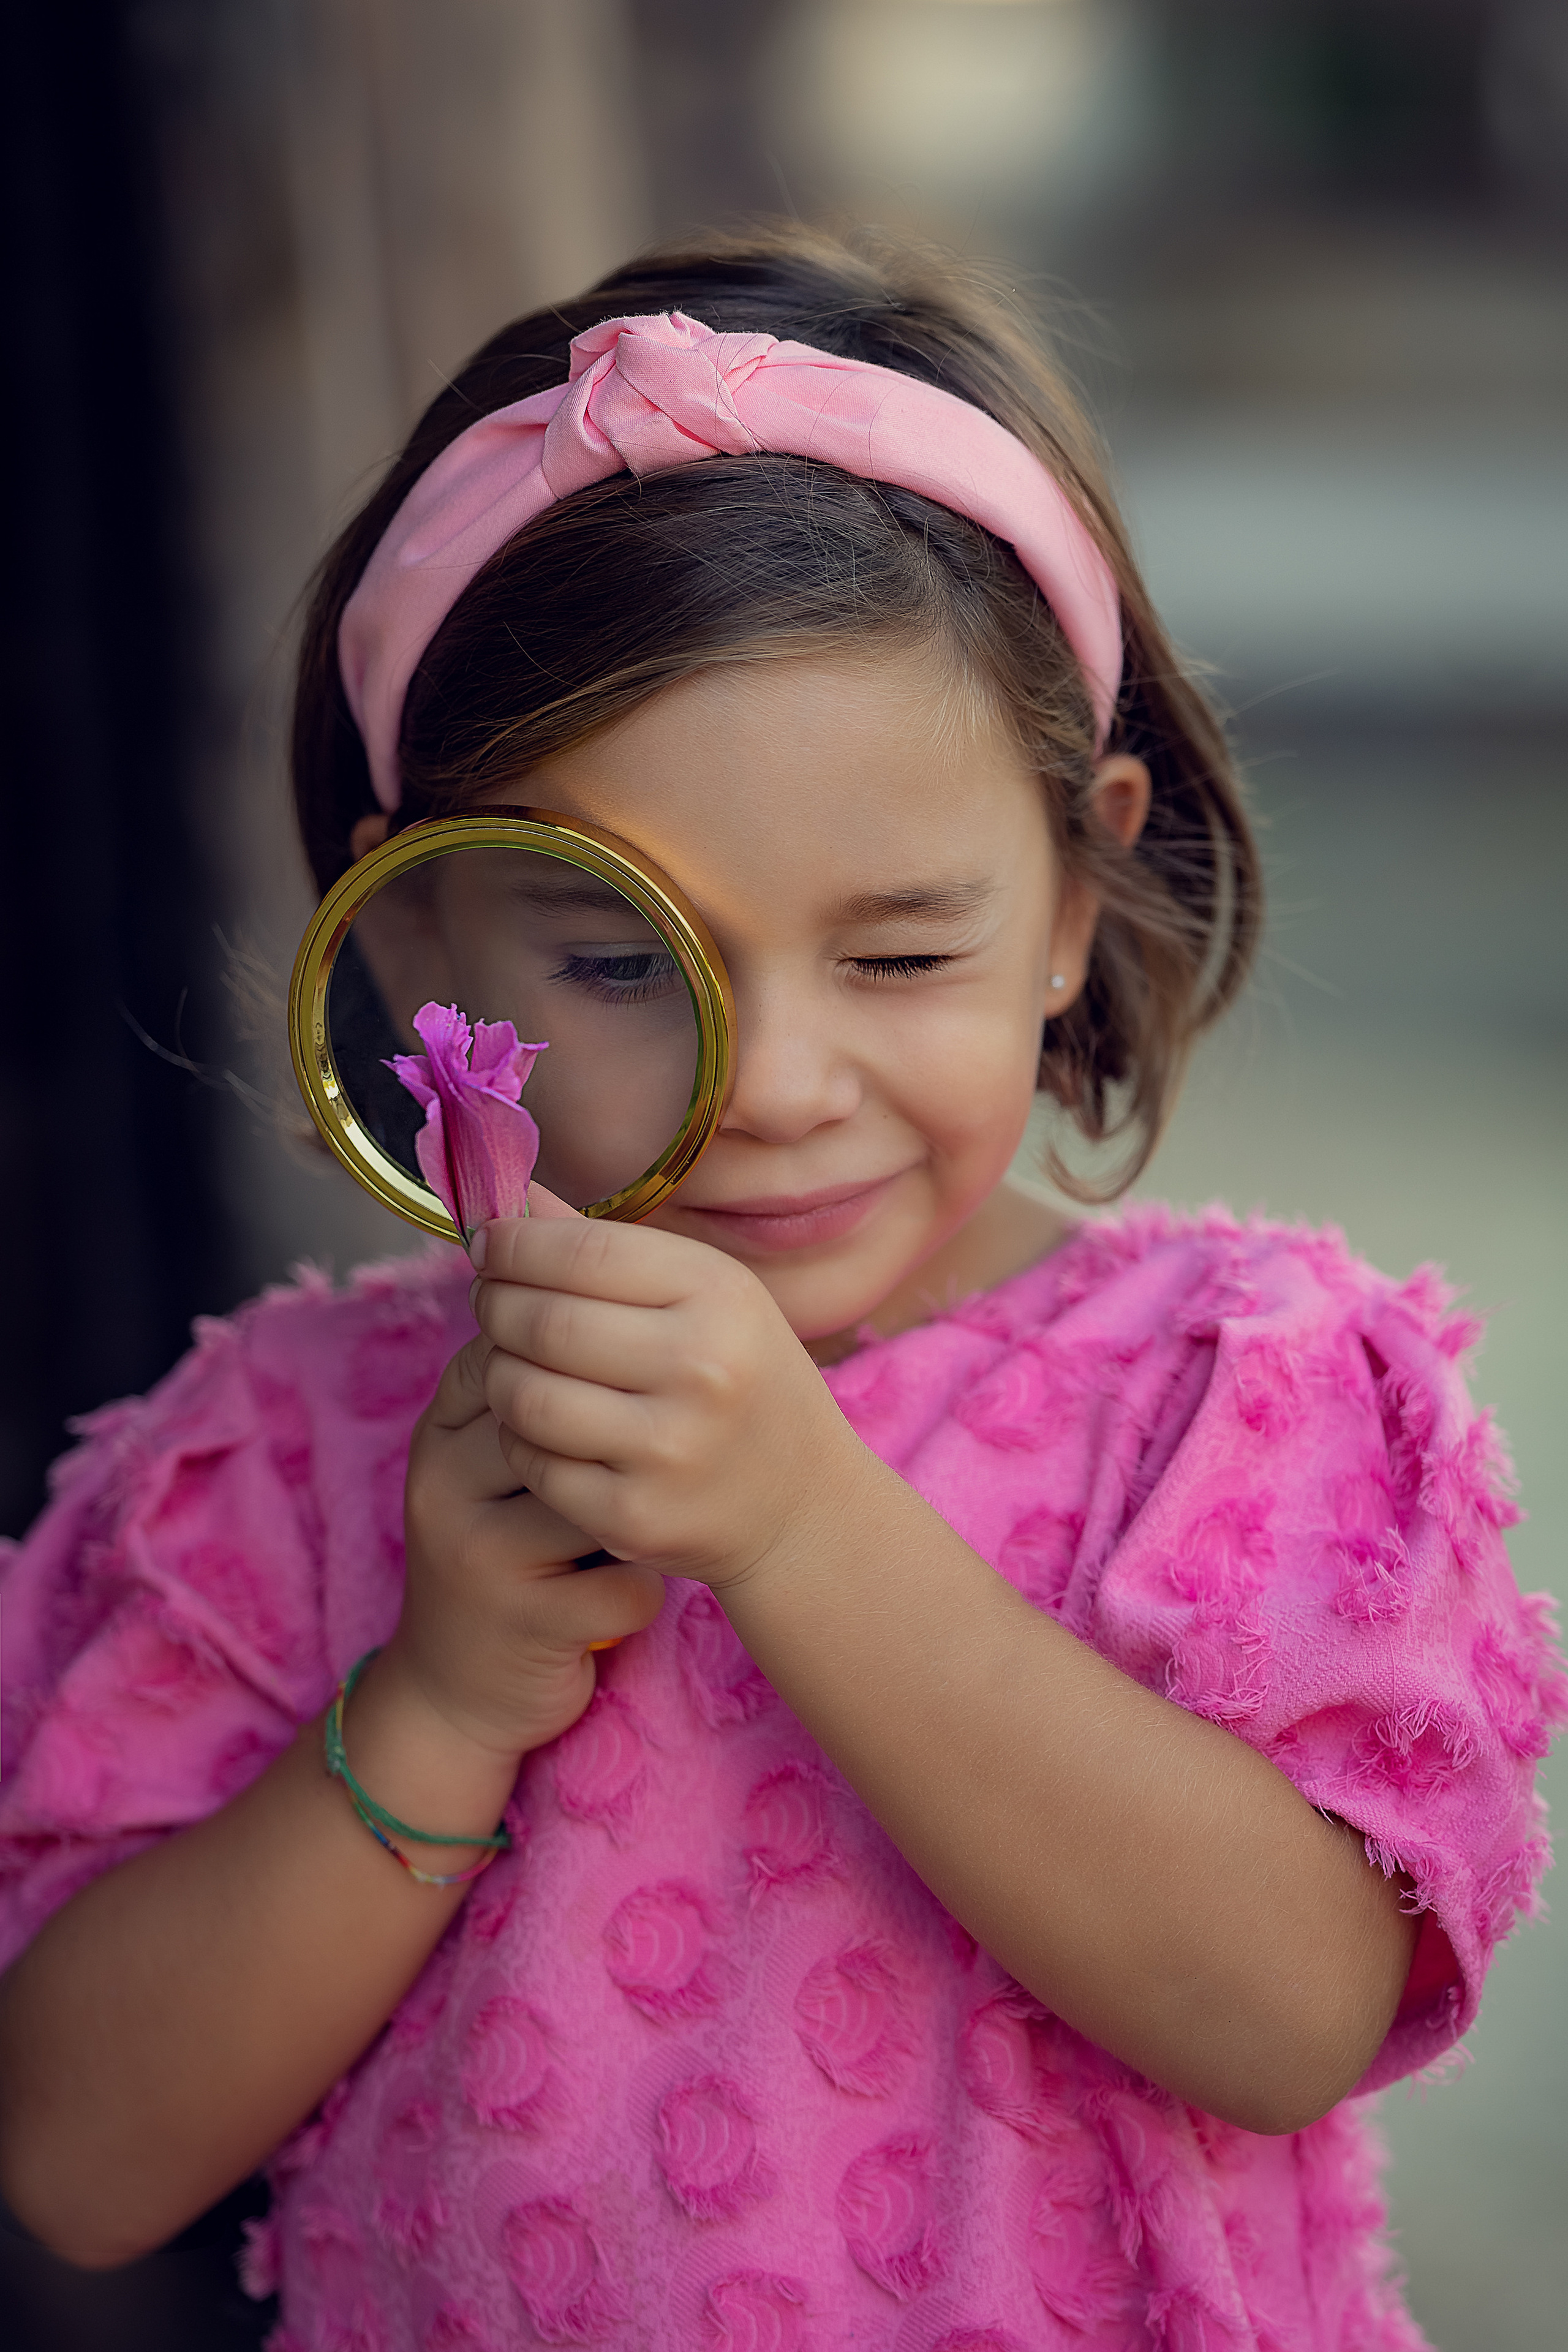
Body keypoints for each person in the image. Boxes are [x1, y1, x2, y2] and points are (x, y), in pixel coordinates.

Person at [0, 224, 1560, 2351]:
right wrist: (444, 1699)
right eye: (622, 956)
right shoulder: (299, 1454)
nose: (780, 1089)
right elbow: (80, 2162)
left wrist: (804, 1524)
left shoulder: (1235, 1393)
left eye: (902, 951)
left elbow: (1292, 2016)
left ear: (1075, 900)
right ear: (417, 945)